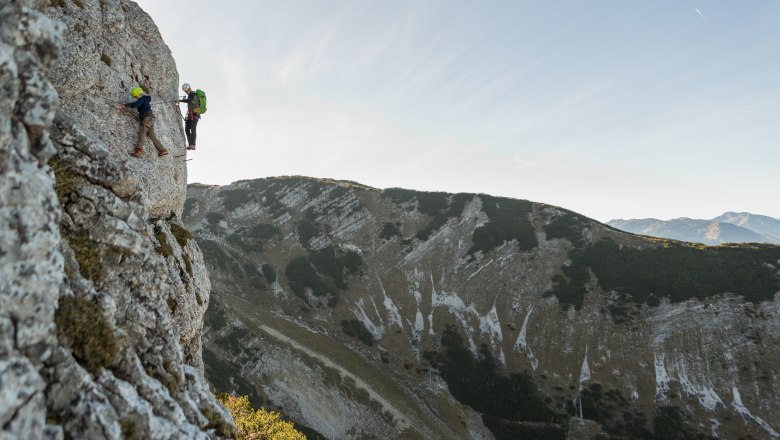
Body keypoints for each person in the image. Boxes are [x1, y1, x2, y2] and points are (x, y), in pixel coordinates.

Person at [122, 86, 168, 158]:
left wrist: (128, 105)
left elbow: (136, 104)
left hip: (147, 118)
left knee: (142, 132)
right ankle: (162, 150)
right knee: (151, 135)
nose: (135, 98)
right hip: (150, 119)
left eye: (135, 96)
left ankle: (139, 150)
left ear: (138, 95)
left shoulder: (142, 99)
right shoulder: (145, 100)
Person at [179, 83, 200, 150]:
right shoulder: (190, 95)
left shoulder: (193, 94)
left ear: (189, 89)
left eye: (187, 90)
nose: (186, 92)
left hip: (195, 114)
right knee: (187, 129)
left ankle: (193, 145)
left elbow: (189, 101)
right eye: (185, 91)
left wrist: (179, 100)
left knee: (192, 128)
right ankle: (190, 144)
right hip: (190, 114)